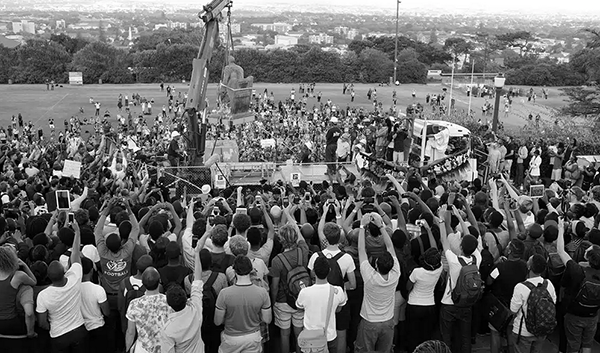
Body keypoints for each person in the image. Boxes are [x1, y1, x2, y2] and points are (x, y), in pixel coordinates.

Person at [36, 221, 88, 353]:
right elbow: (75, 254)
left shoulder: (43, 295)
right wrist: (77, 232)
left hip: (58, 336)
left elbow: (42, 323)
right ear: (64, 272)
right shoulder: (74, 278)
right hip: (79, 331)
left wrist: (54, 327)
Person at [354, 213, 401, 353]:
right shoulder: (395, 273)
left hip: (369, 321)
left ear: (376, 264)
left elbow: (361, 250)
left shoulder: (369, 276)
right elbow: (390, 247)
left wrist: (362, 226)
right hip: (388, 321)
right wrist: (381, 226)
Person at [439, 206, 482, 353]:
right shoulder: (478, 258)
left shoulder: (454, 260)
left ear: (461, 246)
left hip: (449, 302)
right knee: (465, 336)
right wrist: (459, 216)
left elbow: (443, 240)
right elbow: (470, 237)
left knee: (446, 335)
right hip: (467, 302)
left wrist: (441, 219)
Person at [556, 220, 600, 353]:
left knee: (573, 344)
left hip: (574, 314)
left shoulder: (577, 270)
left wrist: (561, 229)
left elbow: (560, 250)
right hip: (593, 315)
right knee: (587, 344)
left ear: (587, 257)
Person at [270, 207, 309, 353]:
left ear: (281, 239)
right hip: (300, 298)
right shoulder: (304, 251)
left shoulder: (277, 261)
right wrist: (288, 214)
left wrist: (274, 302)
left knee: (284, 334)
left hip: (282, 300)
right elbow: (300, 236)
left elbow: (274, 286)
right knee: (299, 333)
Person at [215, 255, 272, 353]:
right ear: (251, 269)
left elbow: (217, 321)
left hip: (231, 338)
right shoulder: (262, 293)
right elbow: (267, 319)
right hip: (253, 337)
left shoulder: (224, 294)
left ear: (234, 270)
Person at [296, 256, 347, 353]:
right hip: (329, 337)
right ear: (329, 270)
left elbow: (299, 308)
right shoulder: (338, 291)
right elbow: (339, 309)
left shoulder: (305, 292)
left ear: (314, 271)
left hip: (309, 339)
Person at [509, 253, 557, 353]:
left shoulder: (520, 287)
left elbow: (513, 310)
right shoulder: (548, 284)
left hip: (523, 331)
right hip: (542, 329)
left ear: (529, 267)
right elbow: (553, 302)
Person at [126, 267, 172, 353]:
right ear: (159, 281)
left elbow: (130, 332)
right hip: (166, 348)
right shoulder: (169, 302)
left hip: (143, 349)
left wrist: (128, 349)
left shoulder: (134, 304)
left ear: (142, 283)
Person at [80, 257, 110, 353]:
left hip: (81, 329)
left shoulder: (72, 290)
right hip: (98, 327)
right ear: (91, 271)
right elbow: (107, 312)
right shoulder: (98, 289)